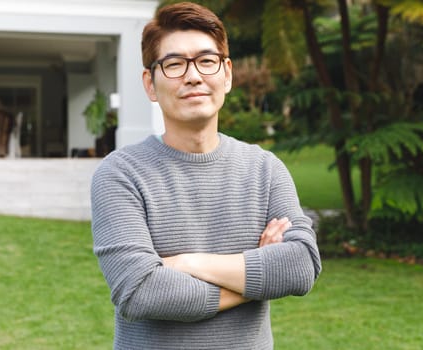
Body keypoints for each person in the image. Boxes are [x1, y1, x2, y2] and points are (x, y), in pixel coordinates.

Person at [91, 2, 322, 349]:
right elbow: (140, 292)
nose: (193, 76)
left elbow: (301, 266)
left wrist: (186, 263)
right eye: (174, 64)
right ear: (150, 84)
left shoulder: (265, 169)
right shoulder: (120, 174)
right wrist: (256, 278)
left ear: (226, 74)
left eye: (206, 61)